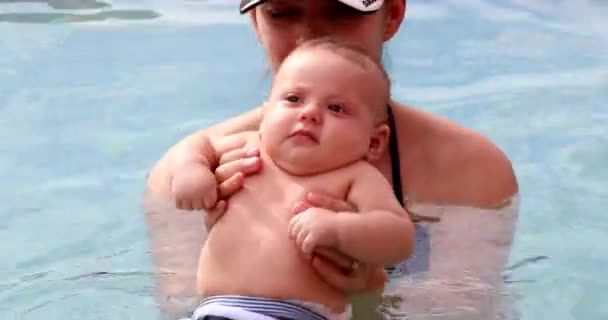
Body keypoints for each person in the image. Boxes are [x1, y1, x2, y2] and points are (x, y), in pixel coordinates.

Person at [144, 0, 519, 318]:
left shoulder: (469, 170)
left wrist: (369, 297)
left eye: (339, 11)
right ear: (256, 23)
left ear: (392, 15)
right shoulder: (191, 170)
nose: (311, 37)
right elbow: (186, 309)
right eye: (282, 13)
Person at [171, 38, 414, 320]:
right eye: (293, 99)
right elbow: (197, 143)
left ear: (374, 142)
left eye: (335, 108)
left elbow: (399, 236)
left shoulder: (356, 178)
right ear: (265, 113)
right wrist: (192, 168)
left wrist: (340, 229)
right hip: (211, 311)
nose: (309, 113)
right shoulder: (248, 148)